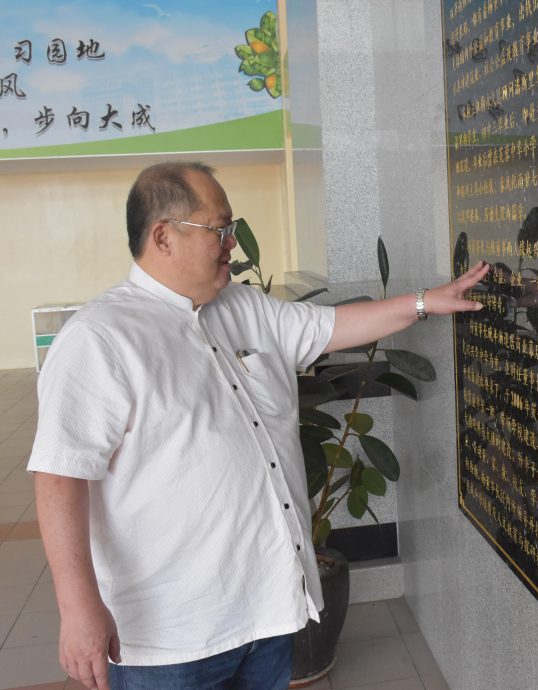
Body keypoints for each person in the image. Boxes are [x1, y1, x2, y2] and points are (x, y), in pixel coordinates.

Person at [28, 161, 490, 690]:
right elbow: (60, 476)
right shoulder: (100, 339)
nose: (232, 242)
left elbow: (334, 325)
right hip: (170, 640)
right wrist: (78, 606)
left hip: (267, 615)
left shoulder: (242, 307)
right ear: (163, 237)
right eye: (218, 229)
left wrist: (426, 302)